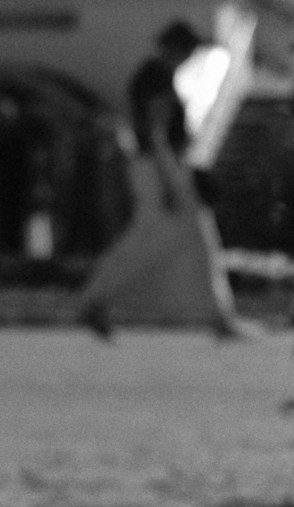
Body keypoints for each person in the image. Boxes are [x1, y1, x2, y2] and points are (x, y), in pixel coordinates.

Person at [75, 18, 244, 338]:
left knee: (190, 239)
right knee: (161, 239)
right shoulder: (156, 80)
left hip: (159, 165)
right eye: (189, 50)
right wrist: (168, 180)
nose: (192, 56)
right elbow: (157, 133)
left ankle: (219, 317)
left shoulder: (155, 77)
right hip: (159, 167)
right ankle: (95, 299)